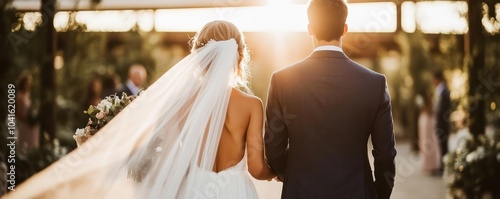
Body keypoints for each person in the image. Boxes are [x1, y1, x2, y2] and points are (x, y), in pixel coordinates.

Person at [5, 20, 274, 199]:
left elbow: (161, 155)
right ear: (238, 55)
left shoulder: (180, 104)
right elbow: (257, 167)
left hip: (193, 190)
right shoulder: (251, 105)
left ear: (199, 55)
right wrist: (279, 170)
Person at [264, 0, 397, 198]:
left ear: (310, 29)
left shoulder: (281, 80)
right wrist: (378, 194)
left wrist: (295, 175)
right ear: (344, 30)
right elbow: (385, 155)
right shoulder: (374, 84)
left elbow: (273, 150)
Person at [15, 71, 40, 152]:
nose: (28, 85)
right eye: (27, 83)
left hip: (31, 128)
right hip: (25, 126)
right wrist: (28, 121)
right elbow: (19, 114)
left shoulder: (27, 95)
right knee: (24, 149)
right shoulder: (20, 97)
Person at [417, 93, 441, 175]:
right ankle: (429, 164)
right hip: (427, 125)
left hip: (429, 125)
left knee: (430, 143)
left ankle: (432, 164)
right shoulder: (426, 107)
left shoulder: (428, 106)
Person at [432, 71, 451, 171]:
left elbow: (444, 109)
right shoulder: (441, 91)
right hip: (441, 123)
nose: (433, 82)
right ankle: (442, 165)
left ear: (438, 79)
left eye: (434, 80)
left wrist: (441, 122)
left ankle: (444, 166)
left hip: (443, 124)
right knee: (441, 145)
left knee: (444, 145)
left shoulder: (444, 91)